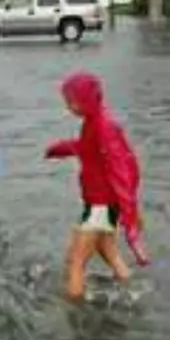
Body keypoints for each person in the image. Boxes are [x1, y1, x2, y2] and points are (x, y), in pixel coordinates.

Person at [45, 73, 149, 300]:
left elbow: (122, 170)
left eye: (71, 100)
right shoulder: (94, 122)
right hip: (99, 202)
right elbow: (85, 148)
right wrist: (59, 149)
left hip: (101, 204)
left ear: (85, 101)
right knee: (107, 250)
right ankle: (130, 288)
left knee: (75, 261)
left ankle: (73, 313)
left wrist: (131, 216)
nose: (68, 106)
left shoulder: (104, 126)